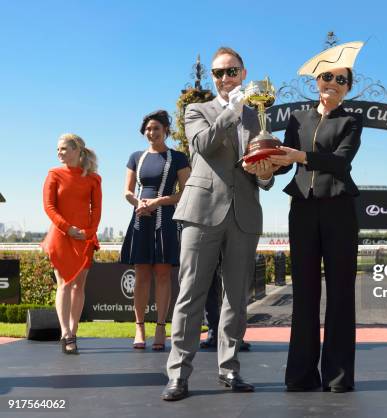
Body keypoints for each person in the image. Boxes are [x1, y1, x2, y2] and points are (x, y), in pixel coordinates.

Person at [162, 46, 276, 401]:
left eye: (231, 71)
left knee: (236, 298)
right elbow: (203, 146)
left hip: (244, 214)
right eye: (218, 73)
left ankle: (229, 369)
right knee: (190, 295)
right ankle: (178, 374)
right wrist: (230, 111)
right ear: (212, 77)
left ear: (244, 73)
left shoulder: (259, 117)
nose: (224, 78)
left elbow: (264, 171)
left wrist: (267, 173)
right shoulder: (198, 109)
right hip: (202, 211)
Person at [268, 41, 364, 393]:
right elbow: (284, 166)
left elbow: (340, 162)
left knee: (340, 294)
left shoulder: (352, 120)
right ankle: (300, 375)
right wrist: (267, 164)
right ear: (316, 81)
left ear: (348, 88)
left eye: (340, 79)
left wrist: (300, 156)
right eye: (327, 77)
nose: (332, 83)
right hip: (303, 210)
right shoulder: (297, 119)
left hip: (339, 210)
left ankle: (338, 376)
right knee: (304, 293)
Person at [120, 110, 190, 351]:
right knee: (141, 275)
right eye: (148, 129)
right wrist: (138, 203)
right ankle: (139, 328)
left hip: (166, 218)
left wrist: (158, 202)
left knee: (162, 274)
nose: (152, 133)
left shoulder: (178, 158)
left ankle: (161, 328)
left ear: (165, 131)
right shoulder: (135, 157)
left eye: (156, 129)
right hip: (141, 218)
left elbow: (186, 192)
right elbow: (128, 192)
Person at [41, 133, 102, 355]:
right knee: (64, 284)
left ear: (77, 150)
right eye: (58, 149)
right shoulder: (54, 174)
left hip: (85, 238)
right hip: (60, 236)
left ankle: (73, 331)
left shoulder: (93, 179)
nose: (59, 152)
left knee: (79, 286)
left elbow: (96, 209)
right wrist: (68, 228)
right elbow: (49, 206)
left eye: (64, 149)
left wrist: (87, 233)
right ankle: (65, 332)